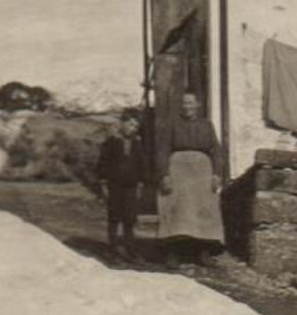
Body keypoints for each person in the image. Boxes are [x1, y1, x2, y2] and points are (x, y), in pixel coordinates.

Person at [155, 90, 227, 265]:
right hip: (178, 172)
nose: (187, 106)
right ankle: (173, 254)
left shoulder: (207, 125)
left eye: (190, 103)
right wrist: (164, 174)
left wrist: (217, 173)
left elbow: (216, 151)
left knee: (204, 211)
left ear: (197, 105)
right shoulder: (172, 125)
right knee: (177, 210)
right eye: (184, 103)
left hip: (202, 173)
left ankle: (204, 253)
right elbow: (163, 151)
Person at [95, 108, 147, 254]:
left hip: (131, 185)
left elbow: (141, 164)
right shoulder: (111, 142)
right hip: (115, 185)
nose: (133, 129)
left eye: (136, 126)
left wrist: (141, 182)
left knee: (129, 218)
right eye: (130, 125)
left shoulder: (137, 144)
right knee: (114, 215)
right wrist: (103, 182)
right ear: (122, 124)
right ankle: (112, 248)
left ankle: (129, 247)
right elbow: (103, 163)